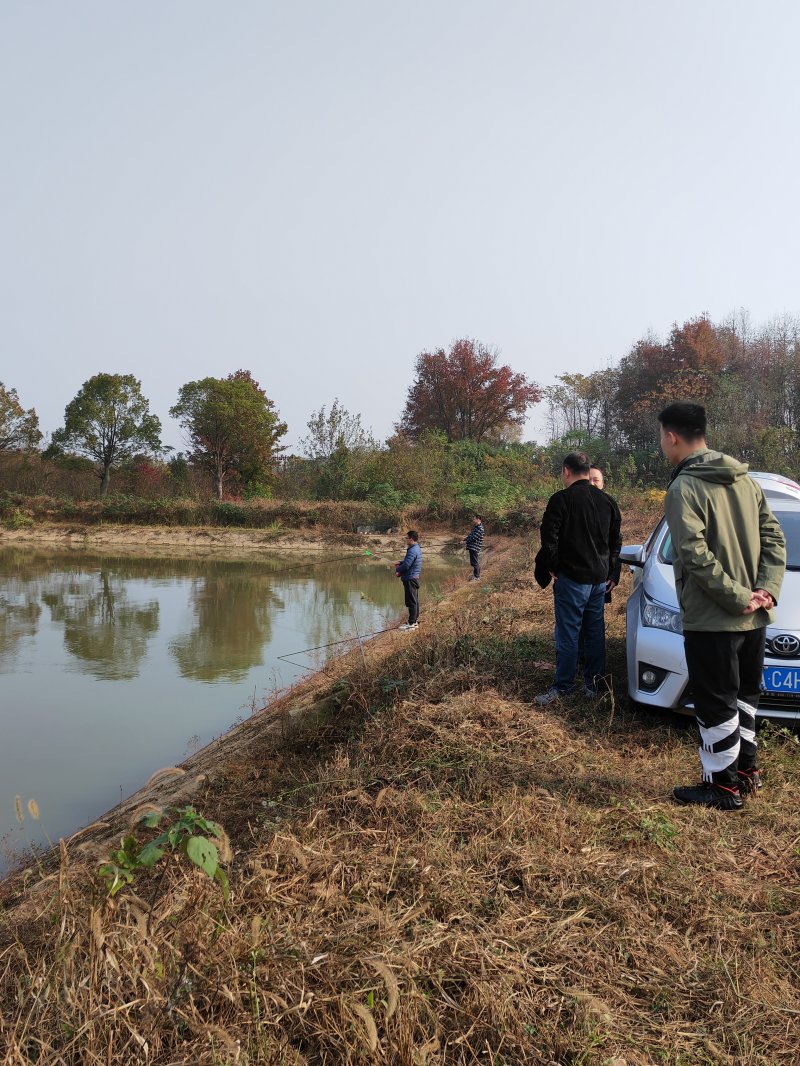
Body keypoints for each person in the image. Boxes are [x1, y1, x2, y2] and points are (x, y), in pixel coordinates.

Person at [659, 402, 786, 810]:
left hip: (713, 619)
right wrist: (766, 589)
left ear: (672, 437)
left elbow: (693, 555)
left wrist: (737, 596)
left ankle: (722, 787)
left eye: (661, 436)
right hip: (755, 618)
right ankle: (746, 772)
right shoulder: (746, 481)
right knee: (745, 696)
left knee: (715, 702)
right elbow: (775, 538)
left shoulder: (683, 488)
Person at [533, 451, 622, 703]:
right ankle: (594, 686)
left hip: (572, 579)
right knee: (595, 632)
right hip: (599, 581)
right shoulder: (607, 501)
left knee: (568, 633)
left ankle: (563, 688)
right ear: (587, 470)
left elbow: (548, 538)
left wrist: (553, 566)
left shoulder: (561, 500)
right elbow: (615, 542)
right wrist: (612, 572)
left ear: (566, 471)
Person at [395, 530, 422, 631]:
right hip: (413, 577)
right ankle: (414, 622)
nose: (406, 539)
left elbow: (407, 565)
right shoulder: (415, 548)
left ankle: (411, 624)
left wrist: (398, 570)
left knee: (411, 602)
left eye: (407, 538)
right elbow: (408, 561)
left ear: (411, 539)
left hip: (410, 578)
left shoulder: (412, 550)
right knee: (414, 601)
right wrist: (400, 562)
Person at [465, 514, 485, 579]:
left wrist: (466, 541)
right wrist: (464, 540)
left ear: (478, 519)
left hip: (475, 547)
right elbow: (470, 535)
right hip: (472, 547)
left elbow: (473, 538)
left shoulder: (480, 528)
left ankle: (477, 576)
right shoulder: (476, 527)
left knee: (475, 562)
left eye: (474, 519)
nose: (473, 520)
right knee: (473, 562)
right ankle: (475, 575)